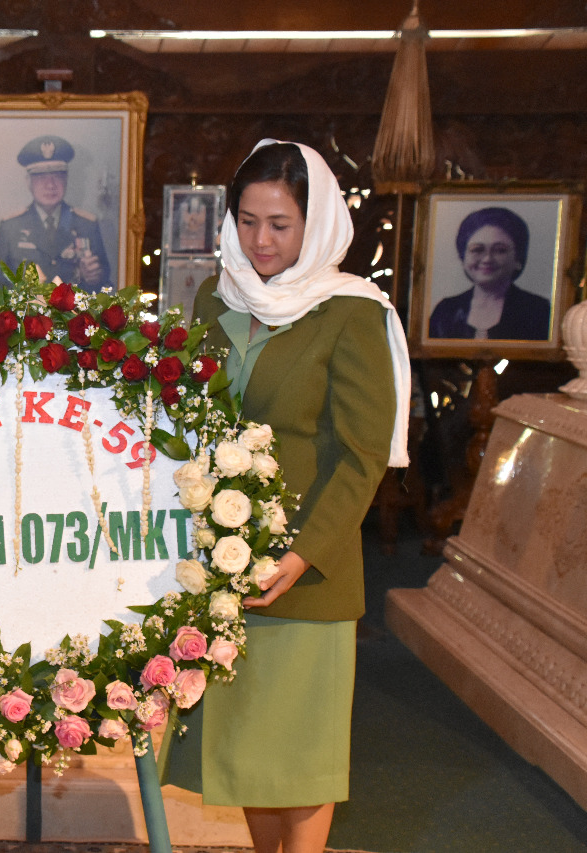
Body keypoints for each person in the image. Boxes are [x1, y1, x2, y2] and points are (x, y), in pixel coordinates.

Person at [164, 140, 411, 853]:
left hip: (308, 572)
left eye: (280, 224)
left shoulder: (352, 313)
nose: (260, 241)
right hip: (224, 568)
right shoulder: (218, 294)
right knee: (248, 759)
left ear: (317, 224)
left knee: (300, 762)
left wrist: (301, 555)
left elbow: (363, 456)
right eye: (247, 221)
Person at [0, 134, 112, 291]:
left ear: (66, 179)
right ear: (28, 182)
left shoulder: (86, 225)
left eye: (57, 176)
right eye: (41, 177)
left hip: (74, 314)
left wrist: (93, 278)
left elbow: (104, 282)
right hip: (25, 315)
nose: (50, 185)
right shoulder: (11, 227)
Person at [428, 206, 551, 340]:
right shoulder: (445, 311)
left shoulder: (538, 311)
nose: (487, 259)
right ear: (463, 257)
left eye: (500, 250)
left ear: (518, 258)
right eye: (477, 250)